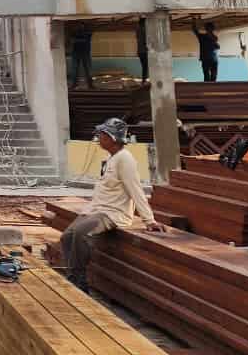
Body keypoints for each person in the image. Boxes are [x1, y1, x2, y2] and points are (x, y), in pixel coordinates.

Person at [61, 118, 165, 293]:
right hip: (97, 210)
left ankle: (79, 283)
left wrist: (149, 220)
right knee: (67, 236)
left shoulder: (125, 159)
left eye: (102, 135)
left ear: (113, 138)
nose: (99, 138)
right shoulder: (110, 157)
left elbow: (135, 190)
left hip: (113, 213)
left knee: (80, 234)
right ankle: (72, 276)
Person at [71, 23, 94, 89]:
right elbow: (73, 40)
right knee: (76, 69)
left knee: (87, 69)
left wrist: (76, 40)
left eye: (81, 25)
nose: (80, 27)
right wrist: (81, 39)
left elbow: (74, 40)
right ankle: (75, 84)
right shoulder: (76, 33)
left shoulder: (86, 33)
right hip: (79, 52)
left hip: (83, 52)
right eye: (79, 26)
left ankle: (90, 85)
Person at [136, 17, 149, 84]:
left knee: (144, 66)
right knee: (145, 66)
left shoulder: (138, 30)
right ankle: (144, 80)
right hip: (144, 51)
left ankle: (144, 79)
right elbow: (145, 40)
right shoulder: (143, 30)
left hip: (140, 51)